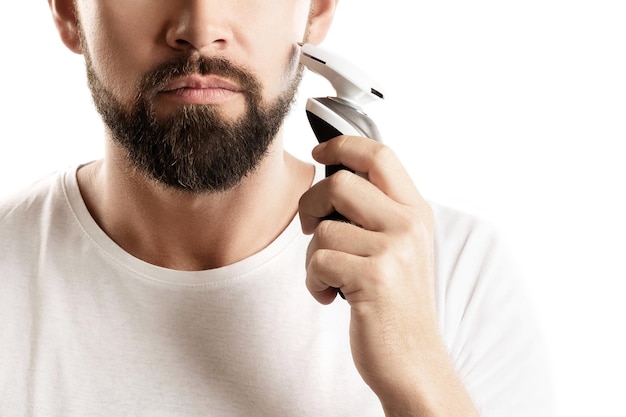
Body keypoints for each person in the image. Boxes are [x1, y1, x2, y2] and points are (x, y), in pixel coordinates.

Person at [0, 0, 553, 416]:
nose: (199, 28)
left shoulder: (460, 275)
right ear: (70, 11)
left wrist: (418, 378)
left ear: (315, 9)